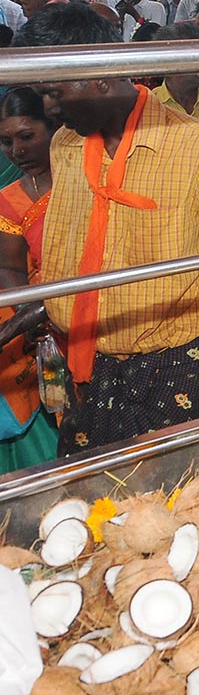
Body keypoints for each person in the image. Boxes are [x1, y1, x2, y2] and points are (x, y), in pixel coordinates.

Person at [16, 2, 199, 456]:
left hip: (170, 369)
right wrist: (42, 310)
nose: (48, 109)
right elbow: (66, 250)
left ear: (101, 75)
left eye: (53, 93)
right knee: (92, 503)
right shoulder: (66, 146)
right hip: (84, 366)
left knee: (168, 497)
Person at [0, 89, 59, 472]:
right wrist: (29, 314)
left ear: (52, 127)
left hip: (94, 315)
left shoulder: (81, 183)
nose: (16, 150)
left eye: (26, 136)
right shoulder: (7, 200)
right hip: (37, 328)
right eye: (6, 141)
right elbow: (11, 272)